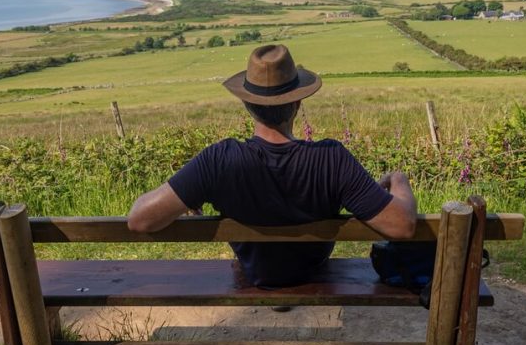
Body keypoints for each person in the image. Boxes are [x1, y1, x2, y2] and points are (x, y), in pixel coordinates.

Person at [127, 44, 417, 286]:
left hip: (252, 275)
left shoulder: (219, 161)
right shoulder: (332, 159)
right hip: (313, 278)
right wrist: (399, 179)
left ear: (247, 105)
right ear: (298, 104)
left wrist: (191, 193)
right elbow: (402, 226)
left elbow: (139, 219)